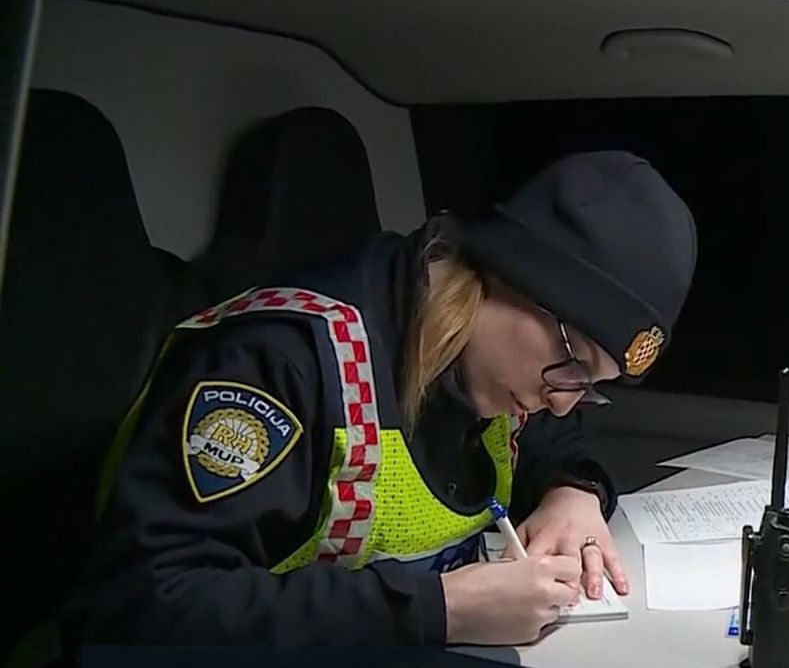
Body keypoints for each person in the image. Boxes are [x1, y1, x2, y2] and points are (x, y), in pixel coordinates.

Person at [64, 151, 697, 652]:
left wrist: (573, 492)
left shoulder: (499, 369)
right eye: (572, 361)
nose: (561, 403)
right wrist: (441, 610)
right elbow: (142, 602)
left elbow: (560, 441)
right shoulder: (279, 364)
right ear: (514, 274)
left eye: (590, 386)